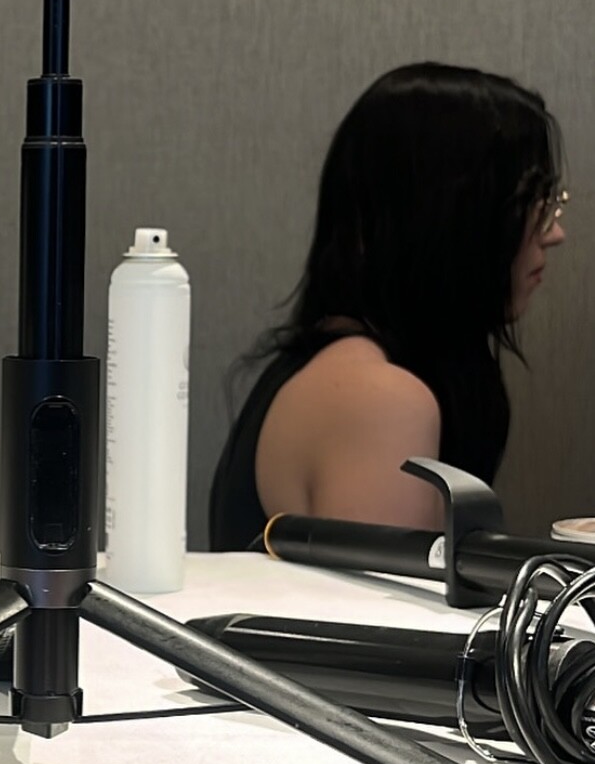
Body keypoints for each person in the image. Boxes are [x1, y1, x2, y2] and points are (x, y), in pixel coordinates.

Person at [208, 62, 567, 550]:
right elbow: (384, 602)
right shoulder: (379, 401)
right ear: (452, 217)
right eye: (533, 203)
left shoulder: (341, 366)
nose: (554, 232)